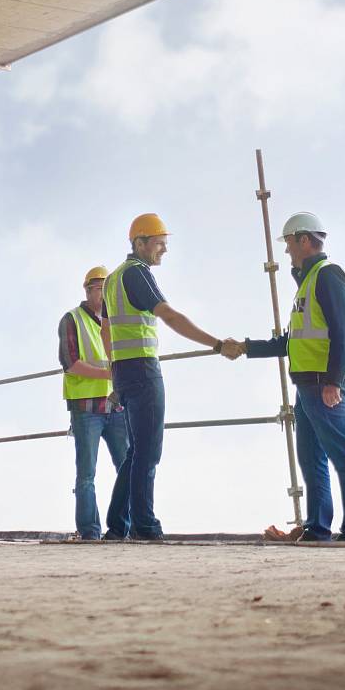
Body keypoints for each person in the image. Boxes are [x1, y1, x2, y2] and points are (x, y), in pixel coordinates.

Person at [222, 212, 345, 542]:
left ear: (304, 240)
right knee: (311, 459)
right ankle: (318, 529)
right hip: (307, 383)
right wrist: (244, 347)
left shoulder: (327, 276)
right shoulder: (308, 283)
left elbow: (344, 332)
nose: (286, 251)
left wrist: (333, 381)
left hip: (323, 382)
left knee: (344, 456)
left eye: (288, 243)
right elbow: (290, 342)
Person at [103, 213, 226, 541]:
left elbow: (106, 329)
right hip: (143, 371)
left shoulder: (113, 278)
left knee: (135, 452)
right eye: (159, 243)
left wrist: (114, 374)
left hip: (126, 373)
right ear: (139, 243)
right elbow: (169, 315)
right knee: (148, 452)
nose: (164, 250)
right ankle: (145, 526)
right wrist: (215, 344)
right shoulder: (137, 274)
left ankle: (117, 527)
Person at [57, 265, 128, 540]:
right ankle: (90, 533)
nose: (105, 294)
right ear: (88, 291)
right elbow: (70, 363)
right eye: (101, 289)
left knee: (127, 469)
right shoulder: (72, 319)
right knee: (86, 474)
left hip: (117, 405)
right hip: (87, 408)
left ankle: (124, 529)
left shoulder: (116, 321)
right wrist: (109, 373)